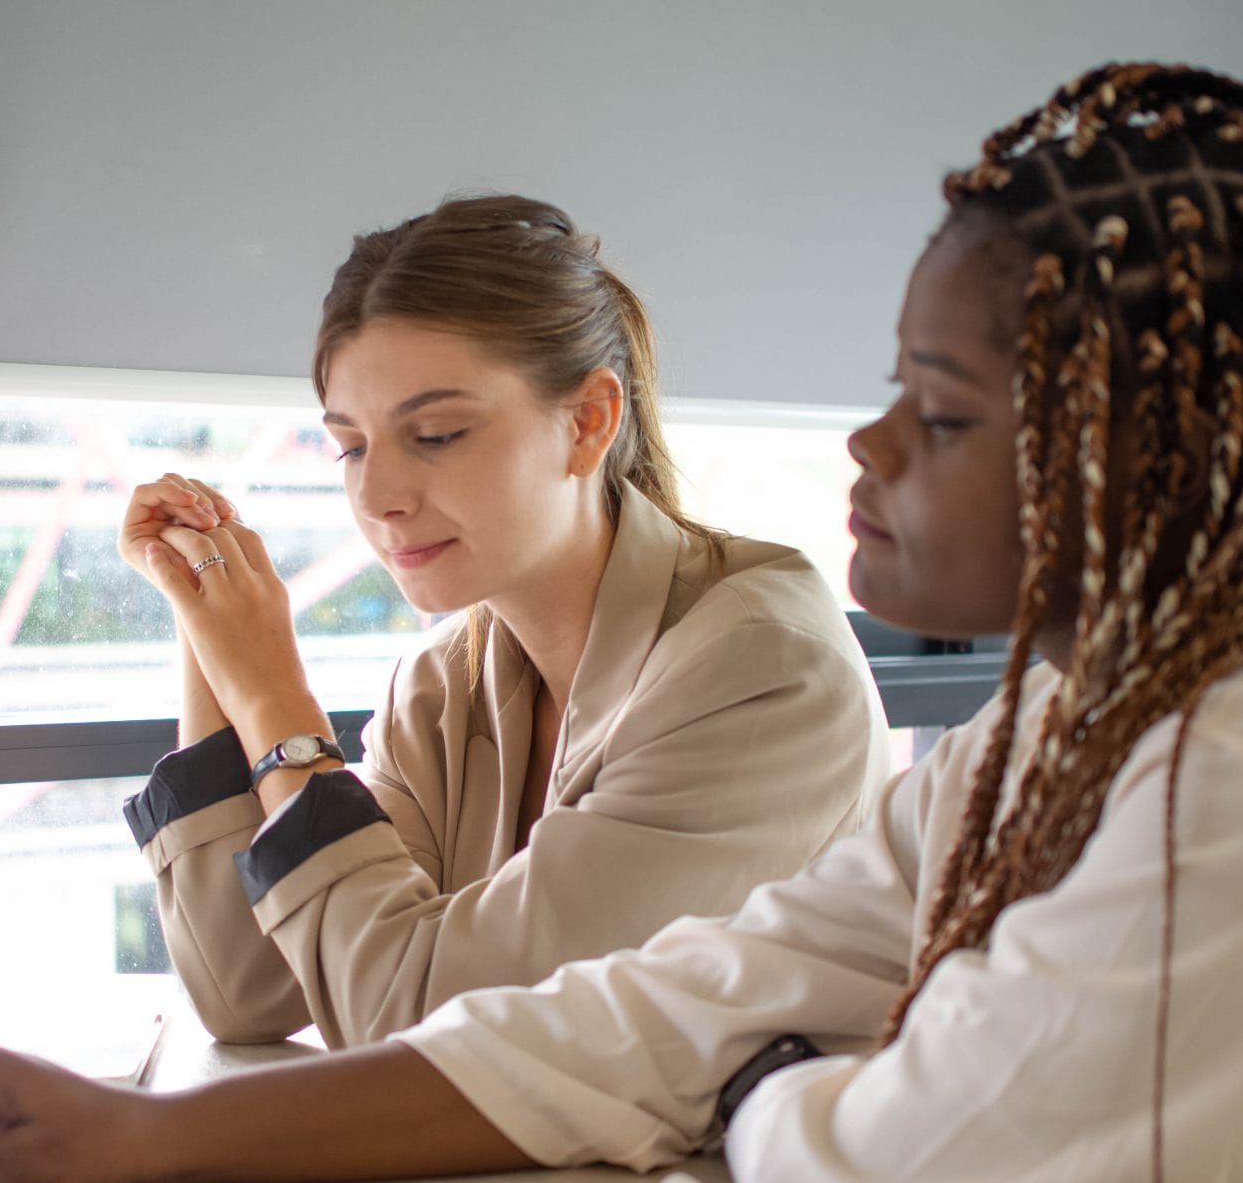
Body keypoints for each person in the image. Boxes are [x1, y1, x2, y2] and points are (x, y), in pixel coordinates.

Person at [0, 65, 1243, 1183]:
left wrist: (756, 1082)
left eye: (941, 414)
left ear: (1141, 458)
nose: (869, 447)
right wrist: (141, 1139)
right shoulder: (1073, 725)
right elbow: (659, 1010)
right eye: (349, 442)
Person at [113, 195, 891, 1046]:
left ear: (588, 422)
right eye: (352, 445)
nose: (377, 497)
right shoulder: (444, 688)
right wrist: (213, 634)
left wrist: (272, 699)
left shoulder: (762, 667)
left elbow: (426, 1025)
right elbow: (249, 990)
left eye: (438, 434)